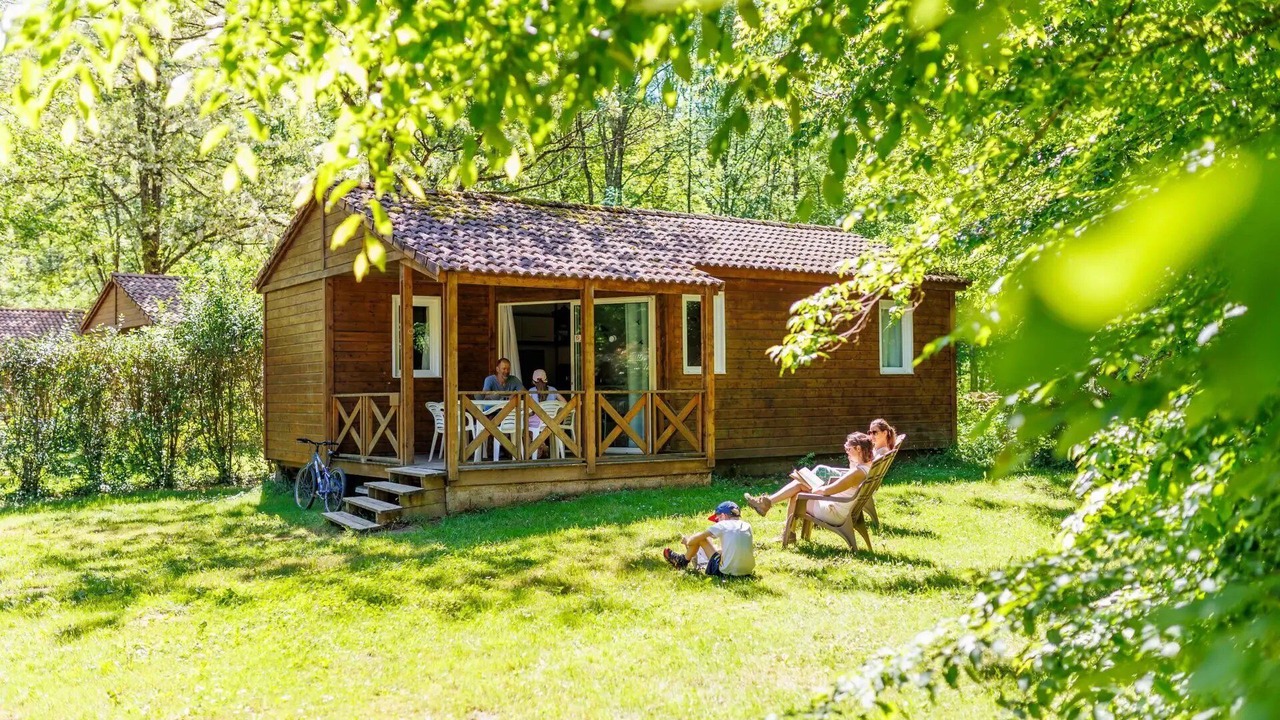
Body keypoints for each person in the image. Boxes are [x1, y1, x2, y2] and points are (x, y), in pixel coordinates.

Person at [742, 432, 874, 538]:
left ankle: (785, 530)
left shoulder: (857, 473)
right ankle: (771, 509)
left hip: (834, 512)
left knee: (798, 494)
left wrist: (814, 487)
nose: (846, 452)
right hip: (841, 507)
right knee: (800, 486)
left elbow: (828, 490)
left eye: (848, 449)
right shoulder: (866, 467)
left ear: (858, 448)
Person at [663, 501, 755, 577]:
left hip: (726, 572)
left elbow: (697, 538)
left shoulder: (723, 525)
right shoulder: (747, 525)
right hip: (747, 572)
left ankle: (682, 561)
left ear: (723, 515)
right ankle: (683, 560)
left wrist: (688, 541)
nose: (716, 522)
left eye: (717, 519)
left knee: (700, 538)